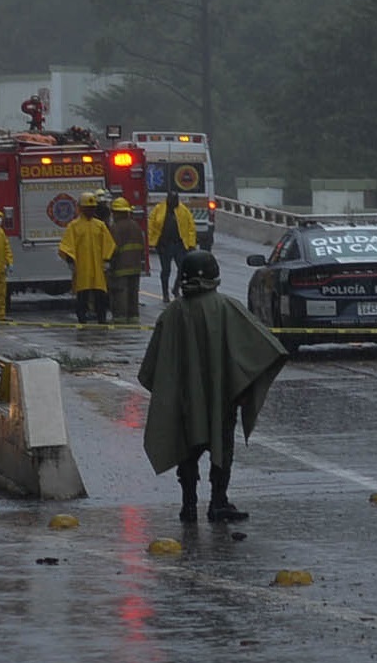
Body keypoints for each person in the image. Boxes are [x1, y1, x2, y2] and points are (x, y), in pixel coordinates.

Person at [136, 250, 286, 524]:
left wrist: (172, 391)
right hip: (221, 398)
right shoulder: (226, 307)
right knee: (222, 447)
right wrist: (239, 386)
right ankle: (218, 502)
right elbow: (263, 347)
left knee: (186, 449)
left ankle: (188, 505)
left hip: (183, 401)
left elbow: (151, 368)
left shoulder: (171, 314)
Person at [58, 193, 116, 324]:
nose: (90, 210)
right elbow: (67, 245)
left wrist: (106, 259)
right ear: (81, 208)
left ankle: (101, 318)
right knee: (82, 295)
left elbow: (109, 243)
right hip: (82, 267)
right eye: (87, 208)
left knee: (100, 294)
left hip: (97, 267)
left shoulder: (100, 225)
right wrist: (70, 260)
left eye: (92, 208)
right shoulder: (74, 226)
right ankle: (82, 318)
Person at [149, 189, 197, 299]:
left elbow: (191, 228)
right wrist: (151, 242)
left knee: (183, 268)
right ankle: (165, 293)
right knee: (166, 270)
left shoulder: (183, 210)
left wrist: (191, 244)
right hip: (164, 245)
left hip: (179, 245)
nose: (173, 202)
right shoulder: (159, 209)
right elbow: (151, 225)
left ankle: (176, 289)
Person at [107, 197, 148, 324]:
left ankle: (120, 317)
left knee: (120, 292)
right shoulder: (135, 226)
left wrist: (109, 263)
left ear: (117, 212)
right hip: (135, 266)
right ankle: (133, 316)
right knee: (133, 292)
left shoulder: (115, 228)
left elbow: (113, 248)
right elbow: (142, 245)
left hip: (120, 267)